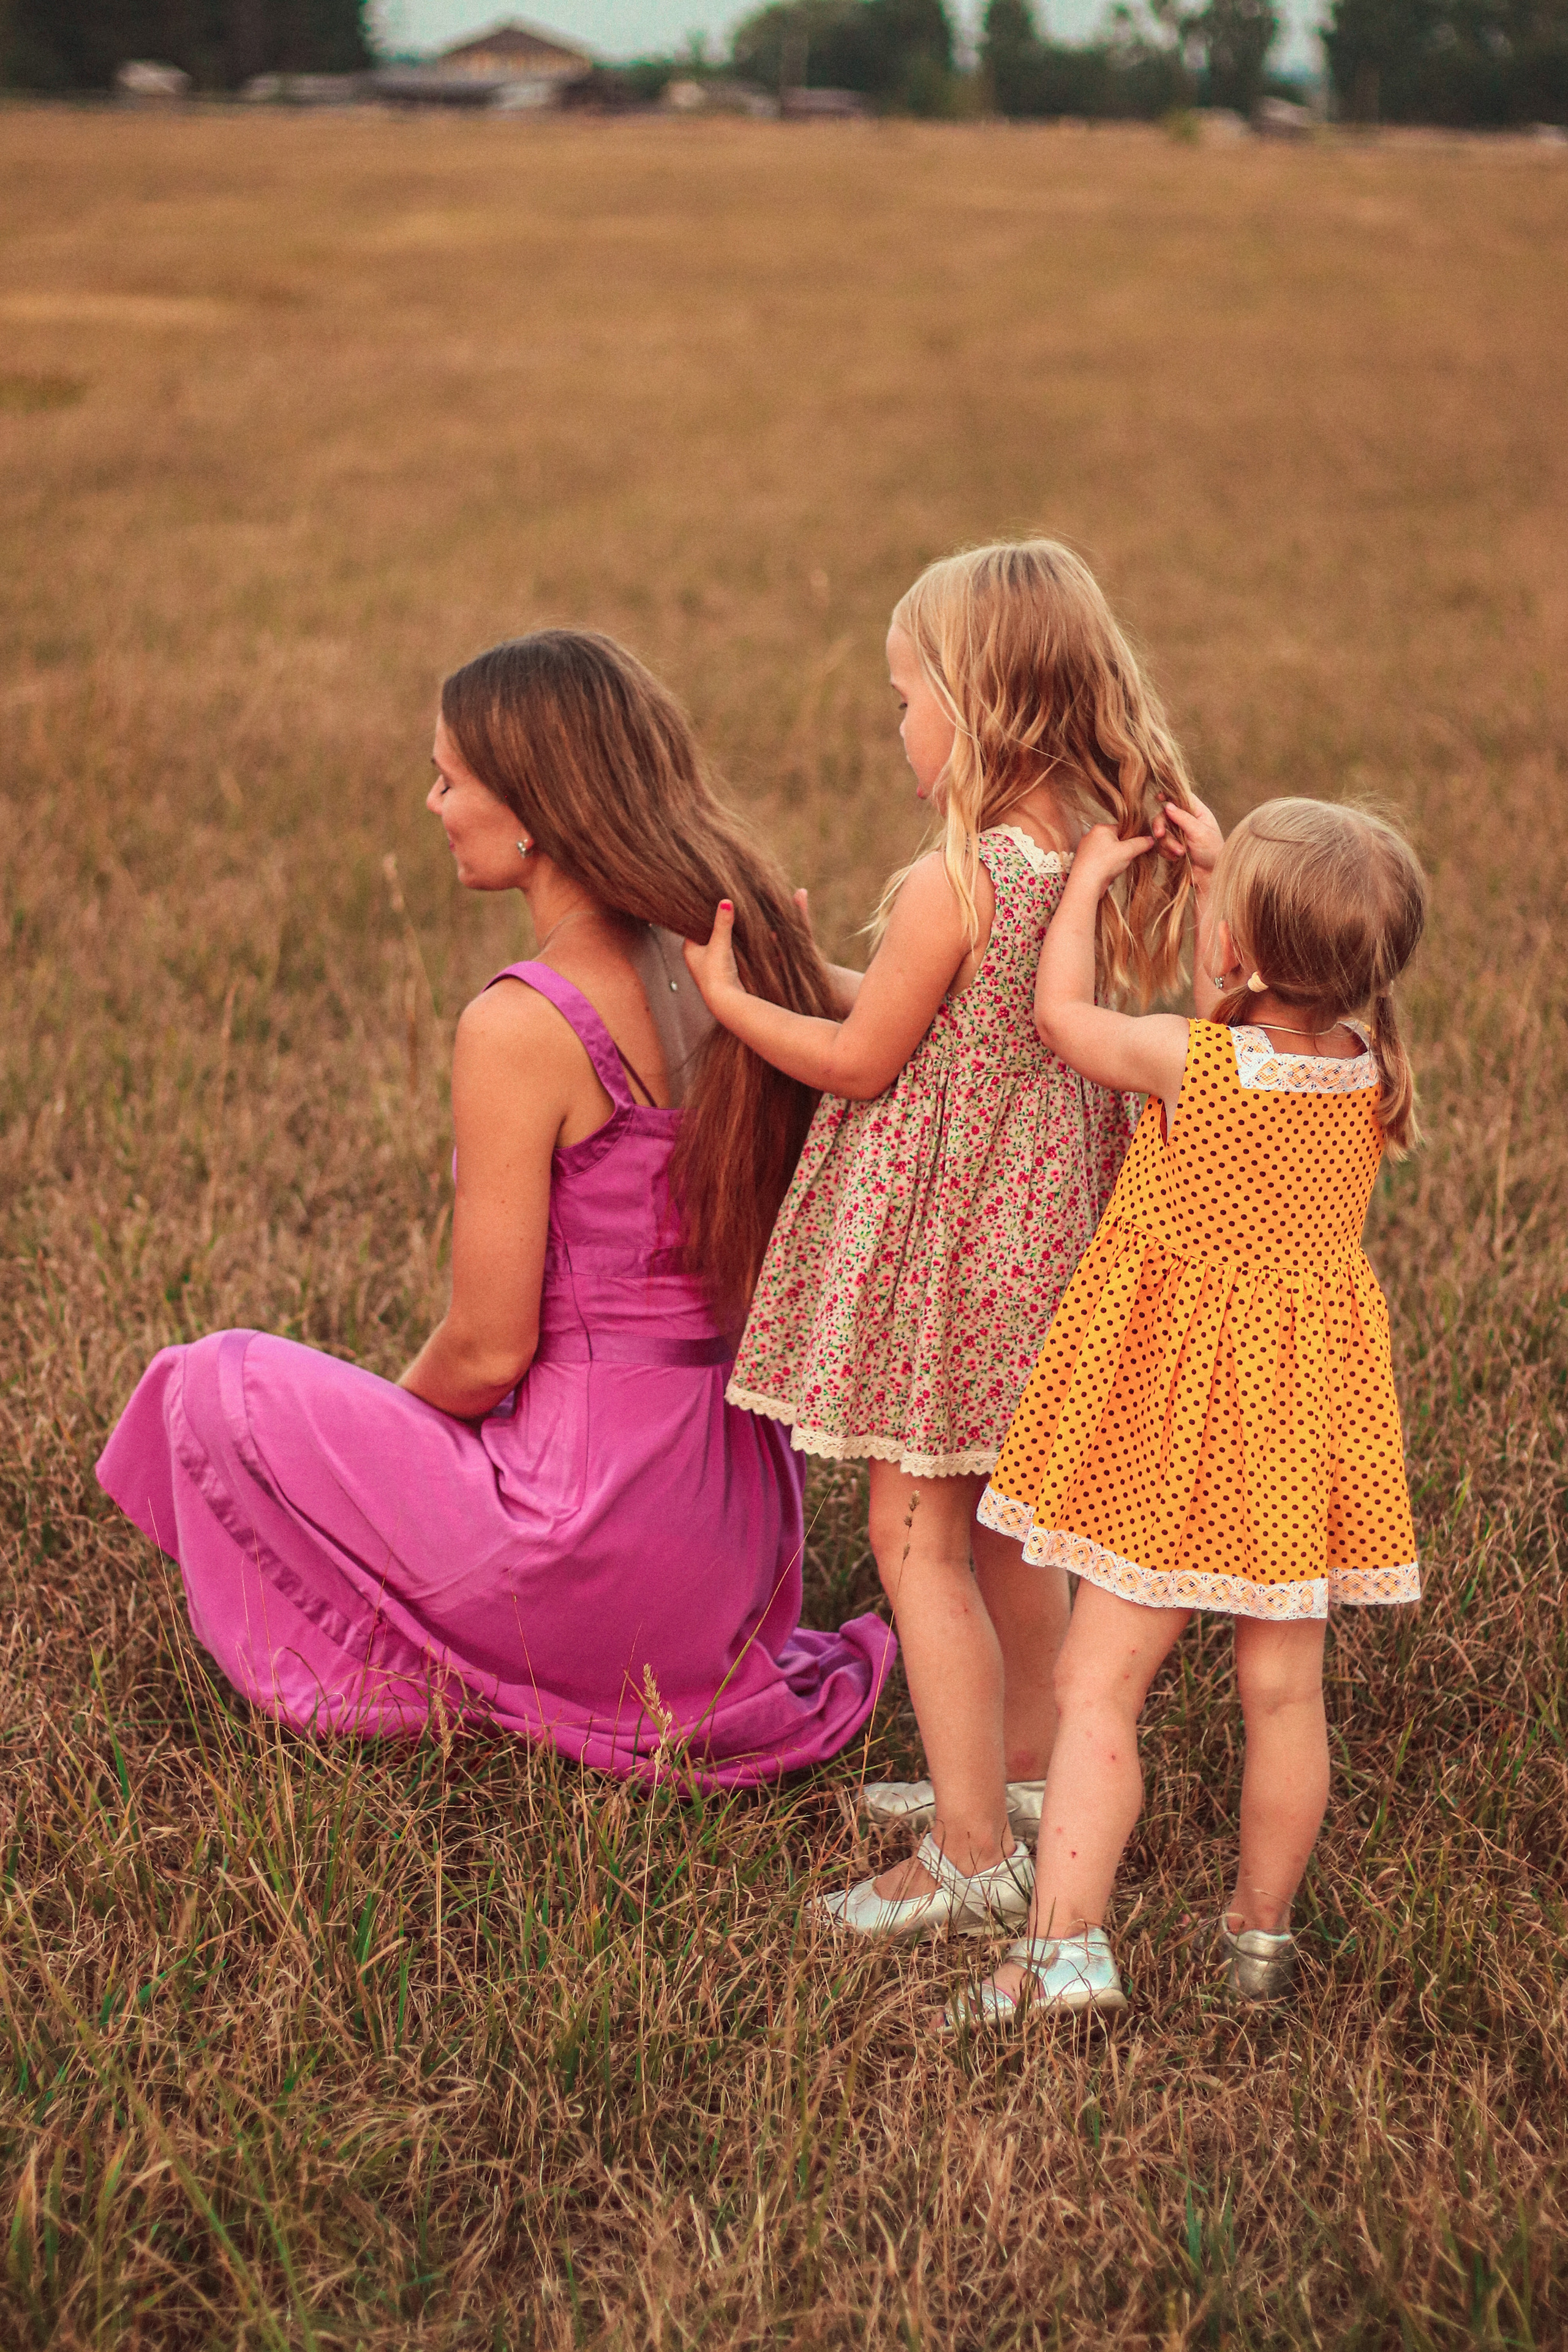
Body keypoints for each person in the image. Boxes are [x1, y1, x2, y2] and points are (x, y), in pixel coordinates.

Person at [96, 630, 894, 1785]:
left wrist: (398, 1453)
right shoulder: (733, 961)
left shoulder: (522, 1024)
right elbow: (922, 1021)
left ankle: (420, 1631)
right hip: (735, 1554)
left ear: (532, 808)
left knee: (211, 1382)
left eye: (447, 777)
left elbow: (485, 1349)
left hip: (592, 1542)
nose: (431, 803)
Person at [682, 541, 1196, 1934]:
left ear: (974, 710)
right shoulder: (1072, 862)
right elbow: (918, 1013)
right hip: (1040, 1263)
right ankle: (1018, 1778)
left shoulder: (952, 883)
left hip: (950, 1268)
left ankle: (969, 1857)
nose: (894, 726)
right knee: (1007, 1539)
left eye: (903, 698)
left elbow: (859, 1062)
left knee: (915, 1534)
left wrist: (732, 1004)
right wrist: (805, 975)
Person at [950, 794, 1427, 2024]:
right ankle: (1256, 1937)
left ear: (1238, 952)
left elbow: (1059, 1020)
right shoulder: (1366, 1073)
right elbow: (1291, 961)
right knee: (1281, 1694)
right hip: (1300, 1432)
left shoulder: (1190, 1059)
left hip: (1175, 1431)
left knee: (1097, 1685)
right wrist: (1234, 875)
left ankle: (1062, 1952)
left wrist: (1082, 890)